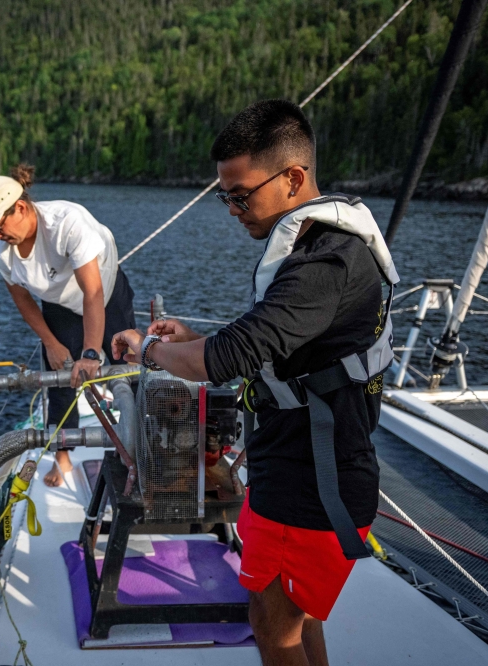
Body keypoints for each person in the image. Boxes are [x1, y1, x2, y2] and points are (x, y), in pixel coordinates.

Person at [111, 99, 399, 666]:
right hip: (293, 475)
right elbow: (273, 349)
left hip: (312, 486)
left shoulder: (326, 262)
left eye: (241, 195)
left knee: (274, 627)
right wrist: (191, 338)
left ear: (293, 178)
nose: (232, 209)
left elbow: (235, 353)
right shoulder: (317, 249)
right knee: (293, 617)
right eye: (225, 196)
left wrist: (150, 349)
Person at [0, 164, 136, 487]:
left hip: (105, 291)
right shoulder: (1, 252)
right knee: (60, 383)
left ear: (20, 208)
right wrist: (50, 342)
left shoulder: (66, 223)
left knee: (126, 369)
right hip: (59, 304)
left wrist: (90, 351)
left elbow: (93, 292)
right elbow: (23, 301)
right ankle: (62, 458)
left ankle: (140, 446)